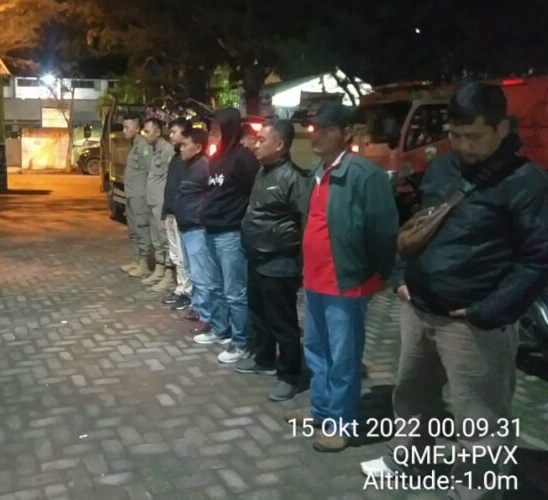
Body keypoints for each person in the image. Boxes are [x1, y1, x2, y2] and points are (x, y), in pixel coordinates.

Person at [361, 82, 548, 499]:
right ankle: (407, 461)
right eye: (456, 135)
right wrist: (402, 278)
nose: (464, 146)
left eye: (474, 136)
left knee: (479, 417)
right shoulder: (444, 168)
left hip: (474, 323)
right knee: (412, 396)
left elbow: (538, 260)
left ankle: (475, 489)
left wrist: (490, 311)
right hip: (419, 308)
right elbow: (417, 224)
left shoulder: (527, 182)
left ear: (502, 128)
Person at [287, 101, 398, 452]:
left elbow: (384, 232)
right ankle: (322, 411)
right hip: (315, 280)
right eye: (314, 128)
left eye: (326, 129)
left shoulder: (364, 175)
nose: (316, 135)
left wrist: (380, 275)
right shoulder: (317, 171)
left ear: (346, 133)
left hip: (346, 283)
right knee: (316, 350)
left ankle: (341, 424)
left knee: (344, 358)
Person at [235, 119, 308, 401]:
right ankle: (264, 358)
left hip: (280, 262)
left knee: (282, 322)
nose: (255, 144)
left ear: (279, 145)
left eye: (262, 140)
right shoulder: (263, 171)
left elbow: (305, 222)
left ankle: (290, 375)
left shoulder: (293, 178)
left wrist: (300, 263)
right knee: (259, 313)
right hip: (257, 256)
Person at [195, 108, 260, 364]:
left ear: (230, 129)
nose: (212, 135)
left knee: (235, 292)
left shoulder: (243, 158)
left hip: (230, 234)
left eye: (216, 130)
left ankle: (241, 342)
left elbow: (254, 192)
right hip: (211, 230)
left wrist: (242, 220)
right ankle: (221, 329)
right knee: (215, 287)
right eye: (211, 130)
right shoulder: (217, 158)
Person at [174, 128, 224, 337]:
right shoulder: (190, 165)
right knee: (192, 271)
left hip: (197, 228)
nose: (181, 148)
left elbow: (211, 196)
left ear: (198, 147)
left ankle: (206, 316)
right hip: (187, 227)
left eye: (185, 145)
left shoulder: (204, 166)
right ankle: (197, 306)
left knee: (201, 274)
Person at [161, 118, 194, 310]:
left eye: (174, 132)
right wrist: (165, 213)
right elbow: (170, 187)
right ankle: (180, 288)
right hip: (171, 214)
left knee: (183, 257)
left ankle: (187, 292)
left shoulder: (189, 160)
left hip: (181, 215)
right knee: (175, 256)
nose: (171, 136)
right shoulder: (175, 157)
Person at [142, 118, 176, 292]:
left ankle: (169, 276)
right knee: (156, 239)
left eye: (148, 131)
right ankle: (159, 269)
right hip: (152, 201)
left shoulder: (167, 150)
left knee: (165, 239)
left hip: (161, 202)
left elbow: (172, 177)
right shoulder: (154, 149)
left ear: (157, 132)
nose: (145, 135)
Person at [120, 114, 153, 278]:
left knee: (141, 228)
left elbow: (150, 170)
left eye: (127, 127)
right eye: (123, 127)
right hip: (131, 195)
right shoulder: (133, 145)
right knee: (133, 229)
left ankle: (144, 263)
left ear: (137, 128)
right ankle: (137, 260)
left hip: (140, 196)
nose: (124, 130)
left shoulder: (143, 145)